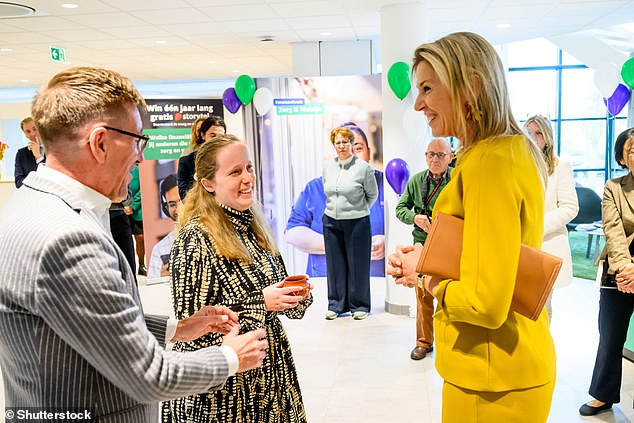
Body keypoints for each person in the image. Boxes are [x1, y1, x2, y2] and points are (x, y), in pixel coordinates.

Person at [0, 66, 268, 419]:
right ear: (99, 143)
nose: (141, 157)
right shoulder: (69, 239)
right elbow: (150, 376)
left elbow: (83, 325)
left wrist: (178, 328)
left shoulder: (28, 206)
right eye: (137, 140)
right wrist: (230, 356)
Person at [386, 32, 555, 422]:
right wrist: (430, 255)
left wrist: (424, 276)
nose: (418, 104)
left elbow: (485, 302)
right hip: (503, 367)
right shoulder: (510, 149)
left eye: (428, 88)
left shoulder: (488, 161)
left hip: (492, 379)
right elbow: (491, 254)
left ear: (472, 86)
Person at [164, 134, 312, 422]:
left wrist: (294, 294)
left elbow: (278, 297)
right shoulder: (195, 237)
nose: (248, 178)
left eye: (249, 168)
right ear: (208, 184)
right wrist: (262, 303)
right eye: (235, 172)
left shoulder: (255, 226)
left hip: (268, 374)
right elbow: (191, 326)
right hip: (223, 389)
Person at [579, 127, 634, 416]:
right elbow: (612, 229)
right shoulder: (613, 187)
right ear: (623, 158)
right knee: (610, 337)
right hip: (619, 272)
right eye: (632, 150)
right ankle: (603, 394)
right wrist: (626, 267)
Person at [285, 122, 385, 277]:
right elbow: (292, 233)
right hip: (325, 283)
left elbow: (409, 228)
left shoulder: (385, 186)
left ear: (369, 153)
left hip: (376, 283)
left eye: (357, 148)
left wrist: (388, 242)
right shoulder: (315, 189)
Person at [395, 138, 452, 360]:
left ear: (450, 157)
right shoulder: (417, 180)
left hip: (448, 246)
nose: (435, 159)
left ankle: (448, 343)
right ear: (425, 156)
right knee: (422, 295)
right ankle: (424, 342)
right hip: (422, 246)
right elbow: (400, 208)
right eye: (431, 154)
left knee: (446, 295)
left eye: (440, 155)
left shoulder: (457, 180)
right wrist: (415, 218)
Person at [524, 115, 578, 321]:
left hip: (546, 245)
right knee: (519, 308)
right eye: (529, 133)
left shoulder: (560, 165)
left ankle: (540, 353)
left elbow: (570, 207)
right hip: (519, 244)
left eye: (538, 133)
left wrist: (535, 226)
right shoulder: (518, 164)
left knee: (541, 309)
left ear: (548, 137)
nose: (533, 138)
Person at [322, 126, 378, 321]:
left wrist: (358, 209)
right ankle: (336, 305)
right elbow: (327, 190)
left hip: (357, 221)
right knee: (335, 265)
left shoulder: (363, 168)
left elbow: (372, 195)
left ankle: (360, 305)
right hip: (330, 220)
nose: (342, 146)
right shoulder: (328, 167)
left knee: (358, 265)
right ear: (334, 145)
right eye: (338, 142)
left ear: (352, 144)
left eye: (345, 142)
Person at [177, 115, 226, 199]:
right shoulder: (187, 161)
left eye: (221, 137)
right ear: (203, 135)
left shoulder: (231, 160)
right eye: (212, 136)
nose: (217, 141)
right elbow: (184, 194)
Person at [148, 174, 179, 279]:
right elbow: (153, 291)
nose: (178, 208)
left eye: (183, 201)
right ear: (166, 209)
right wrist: (162, 279)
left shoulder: (213, 237)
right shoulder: (159, 250)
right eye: (172, 204)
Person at [126, 164, 146, 276]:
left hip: (136, 211)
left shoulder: (138, 169)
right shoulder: (119, 168)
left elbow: (142, 189)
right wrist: (124, 204)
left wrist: (132, 206)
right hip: (120, 208)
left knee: (140, 238)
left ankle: (141, 265)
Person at [14, 116, 44, 188]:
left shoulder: (53, 150)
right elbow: (18, 182)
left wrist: (38, 157)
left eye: (35, 129)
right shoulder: (21, 154)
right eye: (28, 131)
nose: (32, 134)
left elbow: (53, 177)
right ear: (25, 135)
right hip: (30, 196)